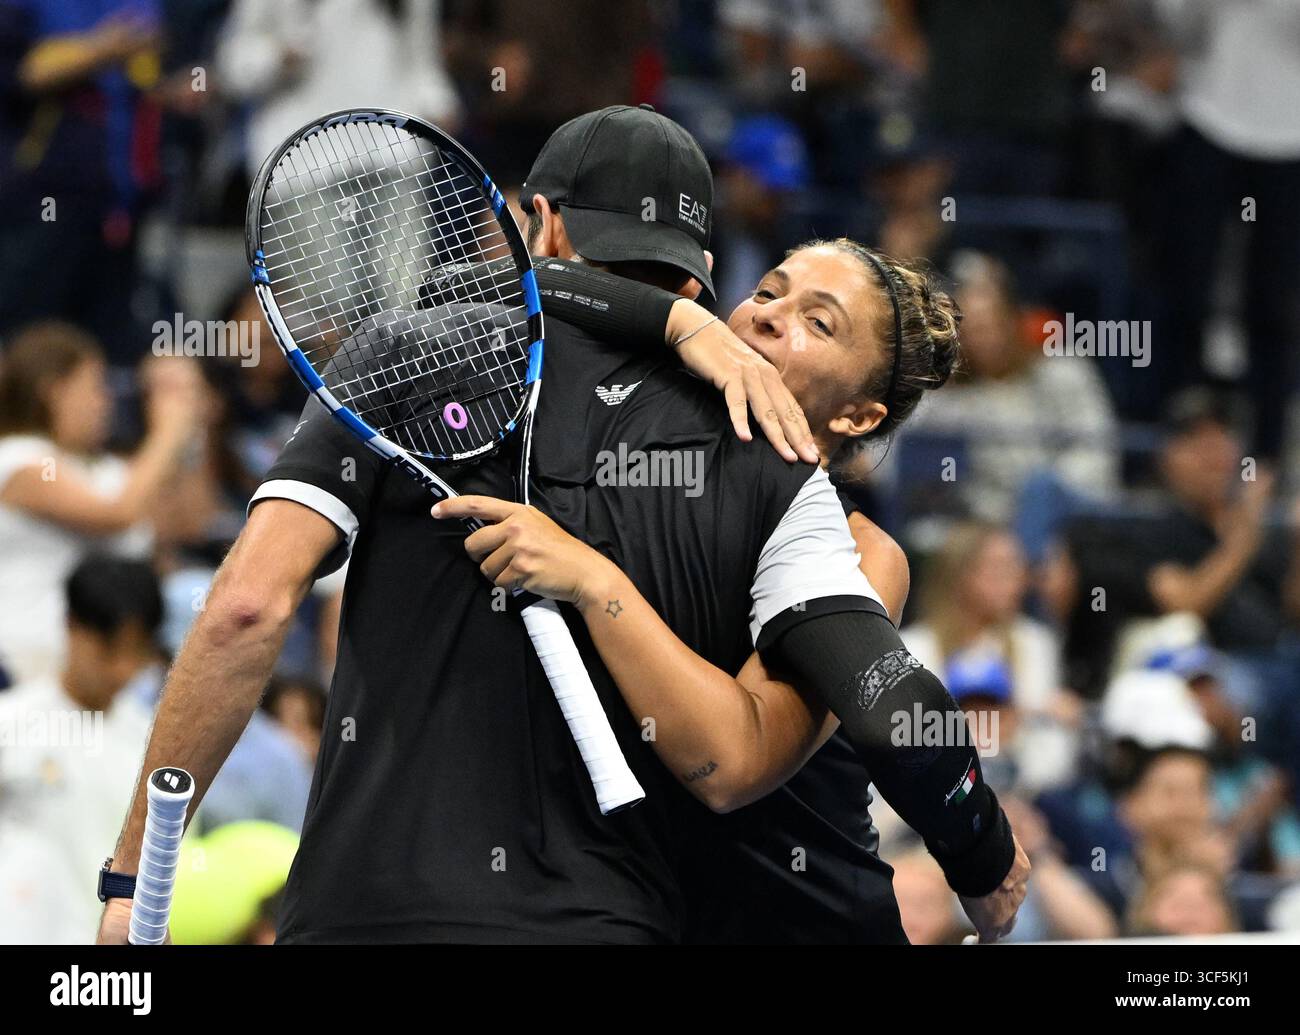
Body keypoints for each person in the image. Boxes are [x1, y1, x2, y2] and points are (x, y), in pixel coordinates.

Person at [101, 106, 1023, 945]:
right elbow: (754, 754)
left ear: (540, 221)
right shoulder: (766, 472)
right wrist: (980, 859)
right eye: (770, 291)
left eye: (816, 321)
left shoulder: (407, 354)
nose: (770, 319)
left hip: (386, 913)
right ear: (708, 281)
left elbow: (244, 613)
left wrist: (132, 876)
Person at [0, 322, 197, 684]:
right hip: (27, 661)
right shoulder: (20, 460)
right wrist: (168, 430)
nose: (105, 401)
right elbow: (117, 514)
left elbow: (186, 524)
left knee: (191, 592)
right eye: (94, 386)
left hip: (114, 662)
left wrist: (188, 421)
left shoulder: (107, 470)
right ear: (53, 392)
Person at [0, 556, 160, 941]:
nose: (122, 668)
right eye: (109, 648)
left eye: (136, 651)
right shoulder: (9, 724)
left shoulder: (154, 743)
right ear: (71, 626)